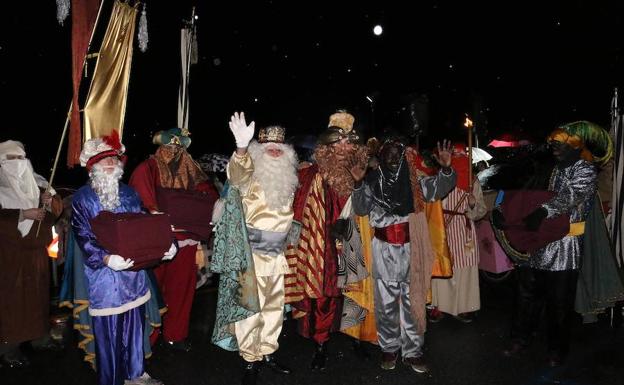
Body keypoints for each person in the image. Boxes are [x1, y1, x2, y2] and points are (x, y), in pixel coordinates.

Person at [500, 121, 611, 367]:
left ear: (574, 146)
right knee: (526, 294)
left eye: (559, 145)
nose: (554, 149)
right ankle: (520, 339)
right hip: (536, 242)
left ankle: (556, 350)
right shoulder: (548, 168)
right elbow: (523, 192)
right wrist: (504, 210)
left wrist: (544, 210)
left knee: (559, 301)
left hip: (565, 246)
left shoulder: (585, 170)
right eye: (552, 144)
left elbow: (571, 196)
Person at [71, 133, 175, 385]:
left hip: (134, 275)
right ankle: (113, 380)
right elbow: (83, 237)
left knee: (134, 330)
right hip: (105, 280)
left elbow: (143, 227)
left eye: (114, 159)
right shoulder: (83, 198)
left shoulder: (129, 193)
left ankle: (136, 374)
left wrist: (165, 245)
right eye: (103, 160)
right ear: (92, 166)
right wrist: (106, 259)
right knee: (109, 336)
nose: (110, 164)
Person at [348, 136, 456, 374]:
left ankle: (413, 352)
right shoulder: (372, 181)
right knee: (385, 306)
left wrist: (446, 169)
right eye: (389, 154)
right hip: (383, 251)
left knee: (414, 304)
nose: (393, 159)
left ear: (405, 156)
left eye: (398, 154)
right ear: (382, 157)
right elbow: (362, 208)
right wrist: (357, 185)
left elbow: (439, 187)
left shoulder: (415, 183)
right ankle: (389, 348)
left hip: (411, 251)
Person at [284, 110, 374, 369]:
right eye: (339, 143)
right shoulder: (309, 175)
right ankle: (321, 344)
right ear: (326, 148)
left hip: (356, 242)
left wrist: (359, 186)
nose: (345, 148)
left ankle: (356, 338)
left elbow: (367, 210)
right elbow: (298, 212)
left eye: (349, 143)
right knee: (324, 295)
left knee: (355, 294)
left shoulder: (364, 173)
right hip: (321, 245)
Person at [214, 112, 299, 385]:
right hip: (250, 256)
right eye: (268, 148)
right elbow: (237, 175)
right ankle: (250, 359)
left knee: (274, 309)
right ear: (258, 151)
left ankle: (267, 351)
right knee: (249, 310)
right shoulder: (250, 175)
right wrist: (240, 148)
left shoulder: (288, 178)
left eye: (280, 148)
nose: (274, 151)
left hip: (277, 256)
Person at [129, 127, 219, 351]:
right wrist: (154, 213)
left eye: (178, 148)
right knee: (151, 290)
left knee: (181, 290)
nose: (173, 152)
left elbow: (210, 196)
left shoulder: (192, 170)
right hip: (157, 242)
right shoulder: (147, 168)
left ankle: (175, 335)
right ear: (160, 148)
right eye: (168, 147)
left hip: (187, 241)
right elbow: (140, 196)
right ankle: (147, 337)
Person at [0, 140, 63, 368]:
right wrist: (22, 214)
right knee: (12, 302)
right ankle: (9, 346)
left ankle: (38, 336)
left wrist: (49, 201)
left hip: (35, 255)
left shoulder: (37, 183)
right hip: (9, 257)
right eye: (10, 159)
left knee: (37, 298)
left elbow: (56, 210)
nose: (17, 164)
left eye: (20, 158)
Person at [430, 143, 487, 322]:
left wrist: (472, 205)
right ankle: (438, 305)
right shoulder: (438, 177)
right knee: (441, 265)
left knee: (464, 268)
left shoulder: (472, 181)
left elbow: (481, 210)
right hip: (441, 226)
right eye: (456, 155)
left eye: (463, 155)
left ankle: (463, 306)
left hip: (463, 228)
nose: (459, 159)